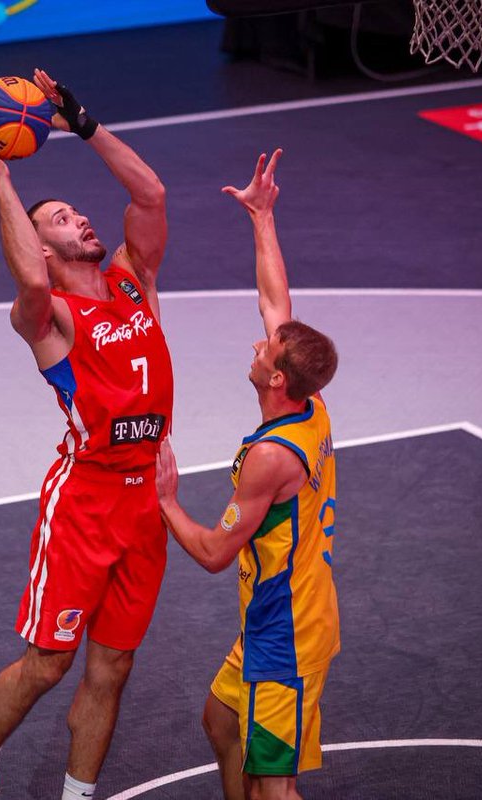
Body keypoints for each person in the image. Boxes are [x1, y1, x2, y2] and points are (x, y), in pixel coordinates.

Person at [0, 69, 172, 800]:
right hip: (84, 503)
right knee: (49, 663)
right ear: (41, 248)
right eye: (60, 219)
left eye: (77, 212)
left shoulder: (133, 279)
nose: (79, 218)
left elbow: (151, 195)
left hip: (145, 504)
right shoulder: (47, 318)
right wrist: (1, 180)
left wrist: (84, 123)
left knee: (113, 668)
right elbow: (28, 280)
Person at [155, 150, 339, 800]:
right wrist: (262, 217)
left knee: (272, 790)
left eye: (267, 349)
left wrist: (167, 500)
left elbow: (213, 552)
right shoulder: (310, 405)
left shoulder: (270, 458)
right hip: (281, 618)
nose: (258, 343)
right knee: (221, 721)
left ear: (277, 378)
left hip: (284, 634)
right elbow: (274, 299)